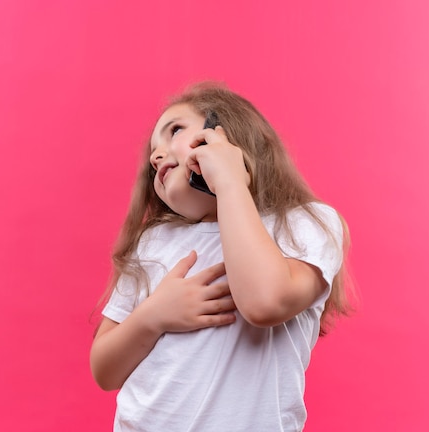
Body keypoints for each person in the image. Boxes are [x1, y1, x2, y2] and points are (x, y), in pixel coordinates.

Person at [90, 82, 353, 431]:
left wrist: (229, 182)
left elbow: (265, 303)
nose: (156, 157)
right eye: (154, 154)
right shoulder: (154, 242)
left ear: (225, 134)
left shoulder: (302, 223)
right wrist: (153, 316)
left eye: (175, 131)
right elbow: (105, 371)